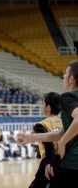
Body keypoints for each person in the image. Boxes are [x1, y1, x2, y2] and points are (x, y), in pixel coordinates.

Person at [16, 60, 78, 188]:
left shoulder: (67, 97)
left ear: (71, 78)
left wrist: (62, 143)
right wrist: (31, 137)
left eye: (65, 74)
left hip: (71, 163)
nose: (63, 77)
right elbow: (63, 133)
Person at [28, 92, 63, 188]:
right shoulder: (65, 122)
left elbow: (49, 147)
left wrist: (48, 163)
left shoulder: (41, 125)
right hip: (65, 161)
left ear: (48, 107)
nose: (41, 106)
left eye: (43, 103)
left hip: (49, 161)